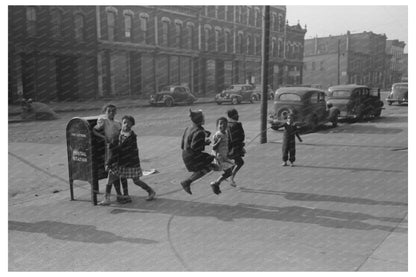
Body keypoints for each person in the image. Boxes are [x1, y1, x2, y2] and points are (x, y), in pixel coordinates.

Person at [100, 115, 156, 205]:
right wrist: (108, 162)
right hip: (117, 162)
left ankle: (150, 191)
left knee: (136, 180)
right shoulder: (116, 135)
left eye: (129, 124)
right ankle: (107, 198)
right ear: (122, 124)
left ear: (132, 125)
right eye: (124, 122)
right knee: (110, 179)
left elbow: (126, 151)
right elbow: (111, 150)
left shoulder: (132, 138)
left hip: (129, 163)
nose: (126, 125)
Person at [93, 104, 130, 204]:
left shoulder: (118, 123)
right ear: (105, 112)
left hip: (118, 150)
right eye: (109, 111)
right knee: (112, 173)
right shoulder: (103, 120)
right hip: (110, 150)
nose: (111, 113)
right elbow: (94, 130)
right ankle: (112, 196)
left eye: (113, 111)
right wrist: (104, 138)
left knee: (118, 173)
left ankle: (117, 196)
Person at [180, 109, 216, 195]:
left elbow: (183, 144)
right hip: (192, 157)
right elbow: (195, 147)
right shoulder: (200, 132)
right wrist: (205, 143)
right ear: (199, 120)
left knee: (207, 164)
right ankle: (187, 181)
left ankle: (187, 181)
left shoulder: (188, 128)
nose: (204, 119)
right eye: (203, 118)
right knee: (211, 163)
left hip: (185, 154)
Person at [210, 117, 235, 195]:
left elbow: (228, 144)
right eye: (220, 124)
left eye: (224, 124)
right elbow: (213, 147)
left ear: (227, 125)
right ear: (217, 125)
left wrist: (230, 151)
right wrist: (218, 142)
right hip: (219, 157)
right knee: (229, 171)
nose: (222, 125)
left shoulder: (226, 133)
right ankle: (216, 183)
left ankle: (216, 183)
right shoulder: (217, 135)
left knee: (232, 168)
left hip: (224, 156)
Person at [227, 108, 246, 187]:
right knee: (239, 162)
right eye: (236, 114)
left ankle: (228, 176)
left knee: (235, 162)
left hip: (230, 148)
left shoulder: (227, 124)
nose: (238, 116)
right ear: (233, 116)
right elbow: (240, 137)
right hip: (235, 148)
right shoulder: (237, 125)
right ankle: (230, 178)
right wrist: (241, 146)